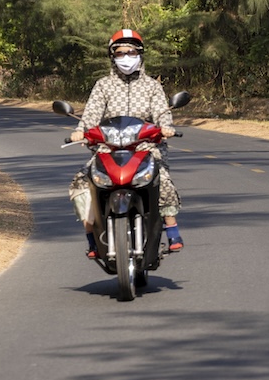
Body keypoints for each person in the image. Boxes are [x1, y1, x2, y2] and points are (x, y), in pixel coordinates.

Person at [70, 29, 185, 256]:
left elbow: (162, 112)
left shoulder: (152, 86)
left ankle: (172, 230)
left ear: (140, 54)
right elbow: (91, 114)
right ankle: (92, 238)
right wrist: (80, 131)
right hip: (108, 148)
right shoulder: (103, 86)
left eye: (131, 51)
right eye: (120, 52)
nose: (126, 57)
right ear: (112, 56)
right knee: (82, 184)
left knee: (161, 179)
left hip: (145, 147)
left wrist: (166, 127)